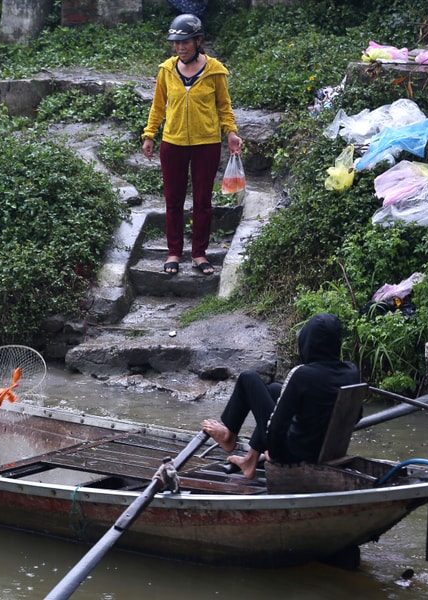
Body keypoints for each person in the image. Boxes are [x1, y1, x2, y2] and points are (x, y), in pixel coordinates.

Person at [141, 13, 243, 276]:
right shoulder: (166, 70)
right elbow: (158, 106)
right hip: (172, 143)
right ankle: (173, 252)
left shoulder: (215, 71)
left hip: (206, 144)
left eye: (185, 42)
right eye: (176, 43)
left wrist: (230, 133)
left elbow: (224, 106)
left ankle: (199, 253)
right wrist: (150, 134)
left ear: (198, 41)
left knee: (202, 201)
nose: (180, 47)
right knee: (173, 201)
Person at [202, 313, 361, 479]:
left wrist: (275, 453)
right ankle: (250, 461)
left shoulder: (302, 375)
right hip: (326, 450)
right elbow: (356, 416)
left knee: (248, 378)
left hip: (291, 454)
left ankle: (228, 436)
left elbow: (277, 425)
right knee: (274, 390)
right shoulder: (351, 371)